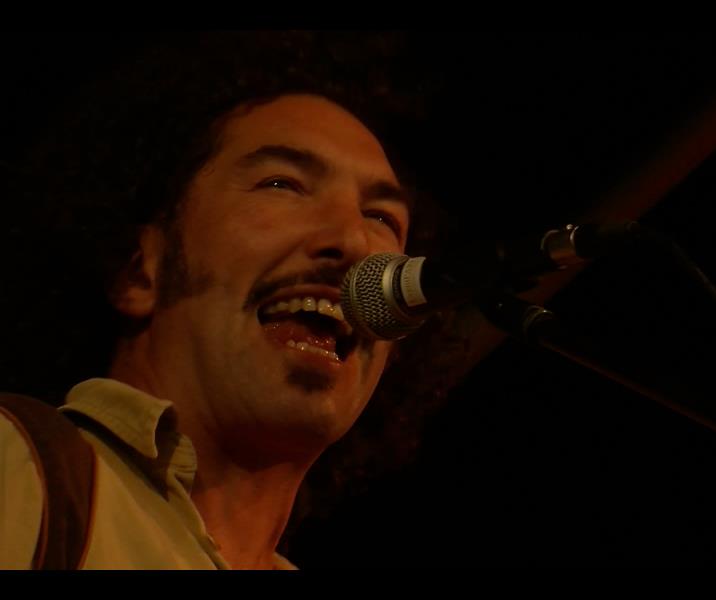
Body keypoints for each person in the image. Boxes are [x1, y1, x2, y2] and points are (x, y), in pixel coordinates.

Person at [0, 31, 452, 570]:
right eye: (282, 185)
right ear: (137, 270)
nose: (355, 242)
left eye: (381, 218)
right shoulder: (18, 470)